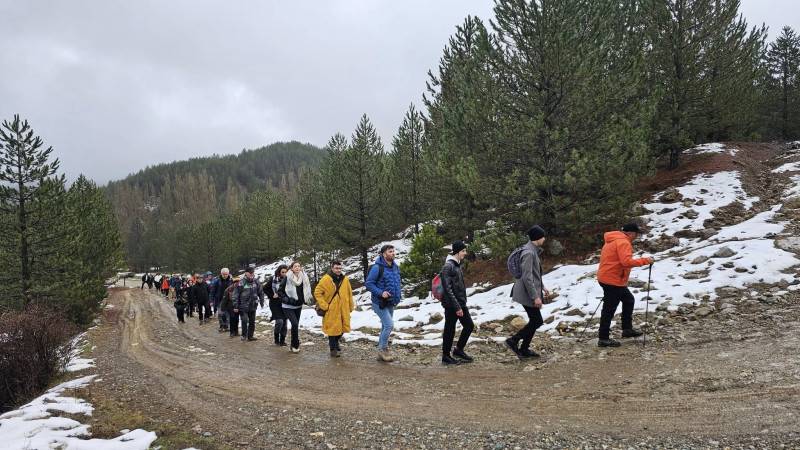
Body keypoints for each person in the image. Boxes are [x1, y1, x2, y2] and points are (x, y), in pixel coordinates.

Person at [596, 223, 654, 347]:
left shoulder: (614, 239)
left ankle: (627, 330)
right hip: (613, 280)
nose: (637, 236)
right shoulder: (623, 242)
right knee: (609, 309)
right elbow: (626, 262)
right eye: (637, 234)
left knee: (628, 300)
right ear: (631, 233)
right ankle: (603, 338)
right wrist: (645, 260)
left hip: (609, 277)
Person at [506, 226, 549, 359]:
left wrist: (542, 287)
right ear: (538, 238)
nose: (544, 239)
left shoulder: (532, 250)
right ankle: (513, 341)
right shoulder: (529, 253)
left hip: (528, 290)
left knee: (535, 320)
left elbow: (534, 274)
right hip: (526, 292)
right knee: (537, 320)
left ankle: (524, 348)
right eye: (543, 236)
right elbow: (527, 276)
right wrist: (535, 297)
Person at [365, 244, 402, 363]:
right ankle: (383, 349)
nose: (393, 253)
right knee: (389, 325)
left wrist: (397, 295)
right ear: (383, 254)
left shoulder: (395, 267)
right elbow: (369, 284)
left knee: (385, 326)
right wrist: (381, 293)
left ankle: (381, 351)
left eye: (393, 251)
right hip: (379, 302)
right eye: (390, 251)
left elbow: (396, 282)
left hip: (391, 302)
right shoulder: (377, 268)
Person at [440, 241, 474, 365]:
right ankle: (446, 355)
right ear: (457, 252)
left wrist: (461, 304)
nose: (465, 253)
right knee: (450, 329)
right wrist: (457, 306)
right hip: (452, 305)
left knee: (469, 325)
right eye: (463, 251)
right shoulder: (448, 266)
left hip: (459, 303)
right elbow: (447, 289)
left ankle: (458, 350)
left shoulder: (456, 265)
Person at [314, 260, 354, 358]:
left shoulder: (345, 279)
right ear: (332, 268)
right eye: (336, 268)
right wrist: (324, 306)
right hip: (331, 309)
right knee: (332, 329)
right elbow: (317, 292)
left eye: (340, 268)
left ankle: (336, 342)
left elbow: (349, 293)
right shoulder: (325, 279)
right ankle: (333, 349)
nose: (338, 270)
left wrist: (350, 305)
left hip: (343, 308)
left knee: (343, 328)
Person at [279, 261, 312, 353]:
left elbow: (305, 291)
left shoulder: (304, 278)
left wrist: (305, 300)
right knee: (295, 324)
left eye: (299, 266)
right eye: (295, 266)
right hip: (287, 306)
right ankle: (295, 344)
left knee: (295, 326)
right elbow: (280, 292)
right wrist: (288, 300)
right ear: (292, 268)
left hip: (298, 306)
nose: (297, 268)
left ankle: (293, 344)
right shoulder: (287, 277)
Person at [233, 267, 264, 341]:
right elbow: (235, 295)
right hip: (243, 306)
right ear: (246, 273)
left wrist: (262, 301)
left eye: (253, 272)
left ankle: (250, 336)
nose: (252, 274)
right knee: (244, 320)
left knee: (252, 322)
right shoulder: (241, 283)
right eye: (250, 272)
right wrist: (235, 306)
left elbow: (260, 292)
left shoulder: (256, 282)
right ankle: (244, 335)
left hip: (253, 305)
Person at [267, 265, 288, 346]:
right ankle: (276, 339)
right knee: (279, 321)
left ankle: (282, 341)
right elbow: (265, 288)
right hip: (275, 303)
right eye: (282, 272)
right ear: (279, 272)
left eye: (286, 272)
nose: (284, 274)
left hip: (285, 303)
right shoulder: (273, 279)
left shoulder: (289, 280)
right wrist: (272, 295)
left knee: (285, 323)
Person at [211, 268, 234, 333]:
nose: (225, 275)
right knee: (221, 314)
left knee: (227, 314)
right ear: (221, 274)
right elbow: (212, 291)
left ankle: (226, 326)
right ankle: (221, 326)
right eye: (223, 274)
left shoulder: (231, 280)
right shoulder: (217, 281)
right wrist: (211, 300)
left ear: (228, 274)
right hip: (219, 300)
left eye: (226, 274)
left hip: (228, 300)